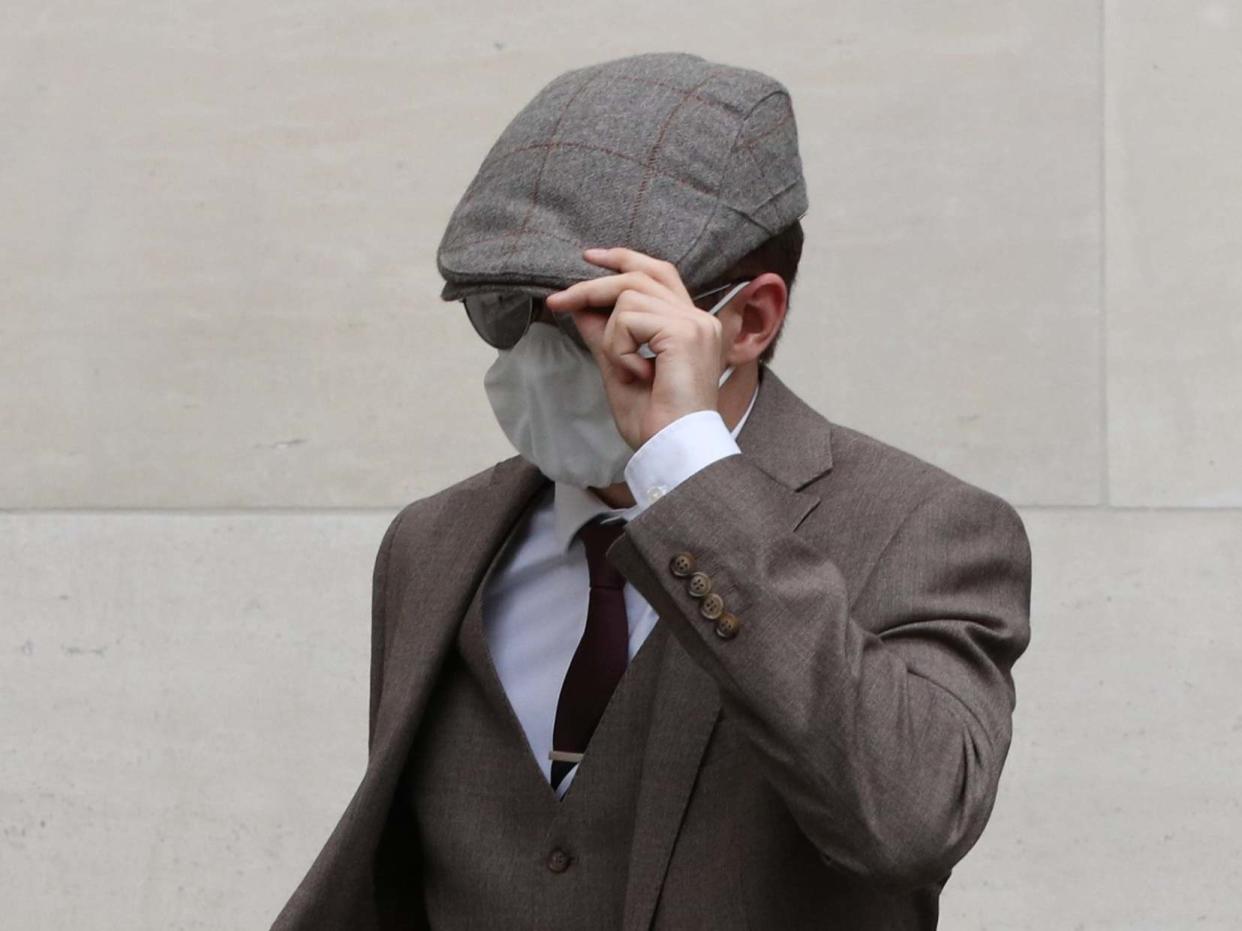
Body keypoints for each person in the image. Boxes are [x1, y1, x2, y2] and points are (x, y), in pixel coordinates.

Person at [271, 51, 1032, 930]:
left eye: (596, 319)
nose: (532, 355)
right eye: (502, 314)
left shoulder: (927, 530)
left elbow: (909, 820)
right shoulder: (432, 542)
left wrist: (689, 473)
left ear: (747, 319)